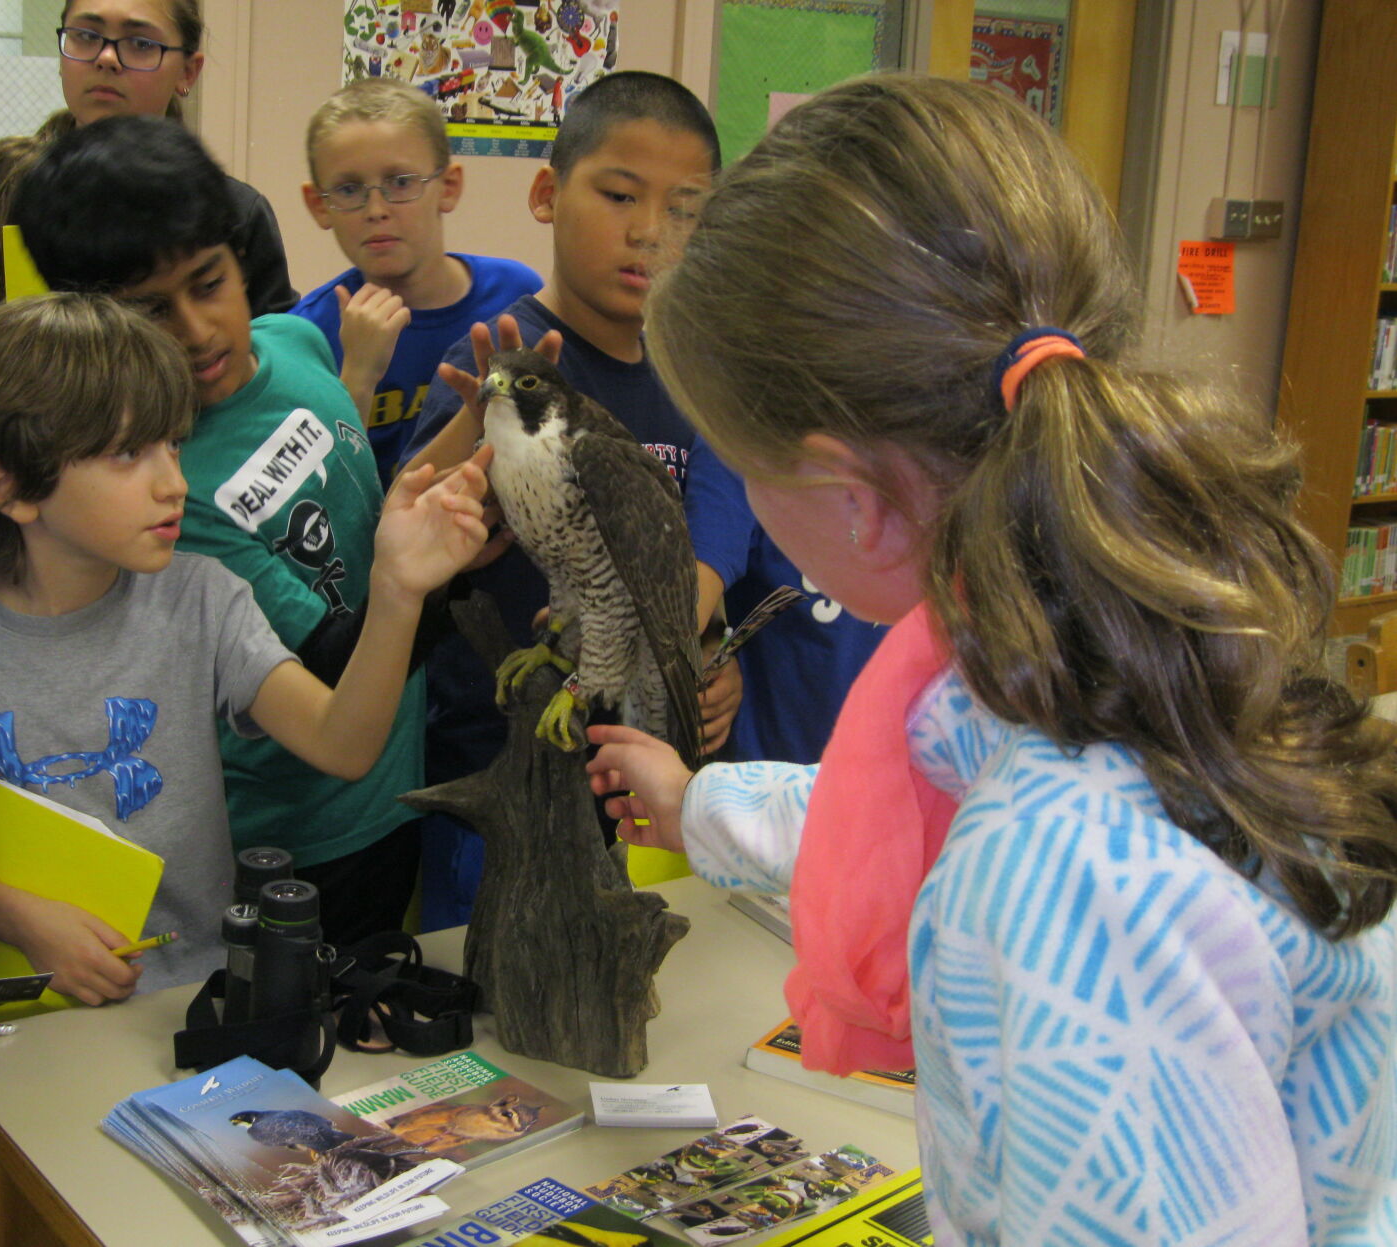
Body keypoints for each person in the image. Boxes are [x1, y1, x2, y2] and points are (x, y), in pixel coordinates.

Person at [587, 75, 1397, 1243]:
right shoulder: (1132, 648)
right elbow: (905, 808)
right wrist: (697, 802)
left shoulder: (1064, 880)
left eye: (744, 464)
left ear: (852, 499)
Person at [0, 293, 488, 994]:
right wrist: (19, 919)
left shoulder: (202, 598)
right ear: (9, 485)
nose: (175, 482)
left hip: (182, 995)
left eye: (173, 444)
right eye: (128, 454)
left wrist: (397, 591)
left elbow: (344, 744)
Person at [10, 116, 470, 943]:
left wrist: (480, 426)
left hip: (399, 783)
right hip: (297, 832)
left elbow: (371, 512)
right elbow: (329, 661)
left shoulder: (293, 341)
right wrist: (449, 574)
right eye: (151, 310)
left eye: (208, 282)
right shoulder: (165, 490)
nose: (194, 330)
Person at [399, 70, 722, 930]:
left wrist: (703, 660)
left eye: (684, 209)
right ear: (548, 194)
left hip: (628, 774)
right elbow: (401, 533)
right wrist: (472, 426)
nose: (648, 231)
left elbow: (689, 561)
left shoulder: (692, 383)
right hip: (501, 769)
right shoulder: (502, 364)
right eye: (619, 195)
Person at [0, 0, 294, 350]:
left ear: (187, 71)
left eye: (141, 44)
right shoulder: (4, 189)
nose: (106, 58)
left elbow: (273, 369)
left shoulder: (238, 213)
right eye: (86, 36)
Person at [294, 76, 541, 481]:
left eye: (401, 182)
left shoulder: (516, 295)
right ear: (318, 205)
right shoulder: (307, 337)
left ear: (448, 187)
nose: (376, 209)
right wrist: (357, 377)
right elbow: (316, 494)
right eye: (349, 189)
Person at [685, 438, 885, 764]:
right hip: (778, 770)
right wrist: (710, 649)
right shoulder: (744, 436)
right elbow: (687, 610)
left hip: (931, 762)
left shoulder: (939, 440)